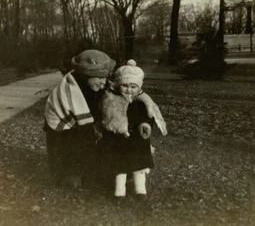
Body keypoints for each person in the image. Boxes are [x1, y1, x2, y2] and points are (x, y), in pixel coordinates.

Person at [44, 50, 162, 189]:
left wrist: (145, 102)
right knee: (73, 150)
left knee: (106, 141)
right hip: (63, 129)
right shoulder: (68, 90)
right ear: (85, 75)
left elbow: (124, 91)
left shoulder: (99, 85)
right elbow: (84, 127)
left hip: (87, 125)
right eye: (99, 78)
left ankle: (110, 170)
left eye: (105, 77)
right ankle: (72, 174)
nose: (103, 82)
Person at [98, 60, 167, 202]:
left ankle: (140, 190)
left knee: (139, 165)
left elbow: (147, 117)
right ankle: (119, 192)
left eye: (133, 86)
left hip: (137, 139)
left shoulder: (141, 102)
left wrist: (145, 125)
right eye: (124, 85)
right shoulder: (112, 100)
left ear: (138, 88)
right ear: (118, 85)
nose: (129, 90)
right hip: (118, 139)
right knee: (120, 165)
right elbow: (106, 117)